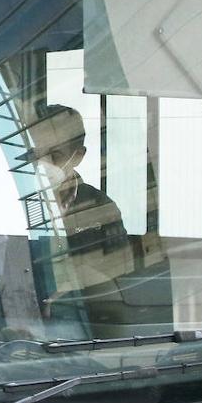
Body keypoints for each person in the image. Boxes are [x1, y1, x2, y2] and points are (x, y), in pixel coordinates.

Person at [28, 104, 131, 289]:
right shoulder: (18, 197)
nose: (43, 163)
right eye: (36, 154)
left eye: (54, 154)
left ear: (78, 156)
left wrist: (75, 284)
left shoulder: (102, 208)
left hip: (85, 309)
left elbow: (120, 275)